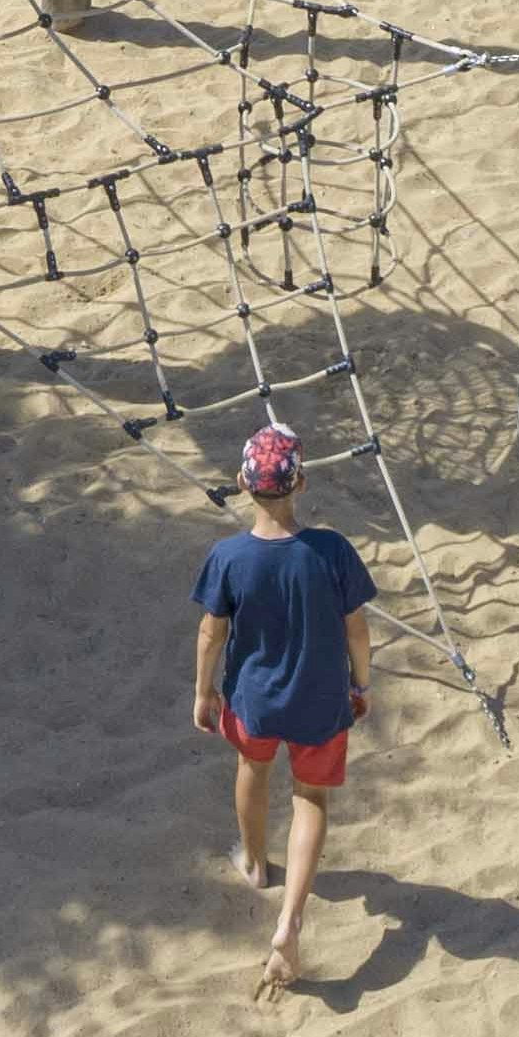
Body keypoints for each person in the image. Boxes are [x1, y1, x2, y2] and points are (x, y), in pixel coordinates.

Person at [192, 419, 375, 999]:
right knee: (310, 798)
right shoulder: (332, 550)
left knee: (253, 769)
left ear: (241, 485)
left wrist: (203, 692)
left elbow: (210, 633)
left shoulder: (227, 557)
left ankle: (253, 861)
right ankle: (290, 919)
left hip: (254, 699)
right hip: (320, 700)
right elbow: (358, 632)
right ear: (302, 485)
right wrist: (362, 684)